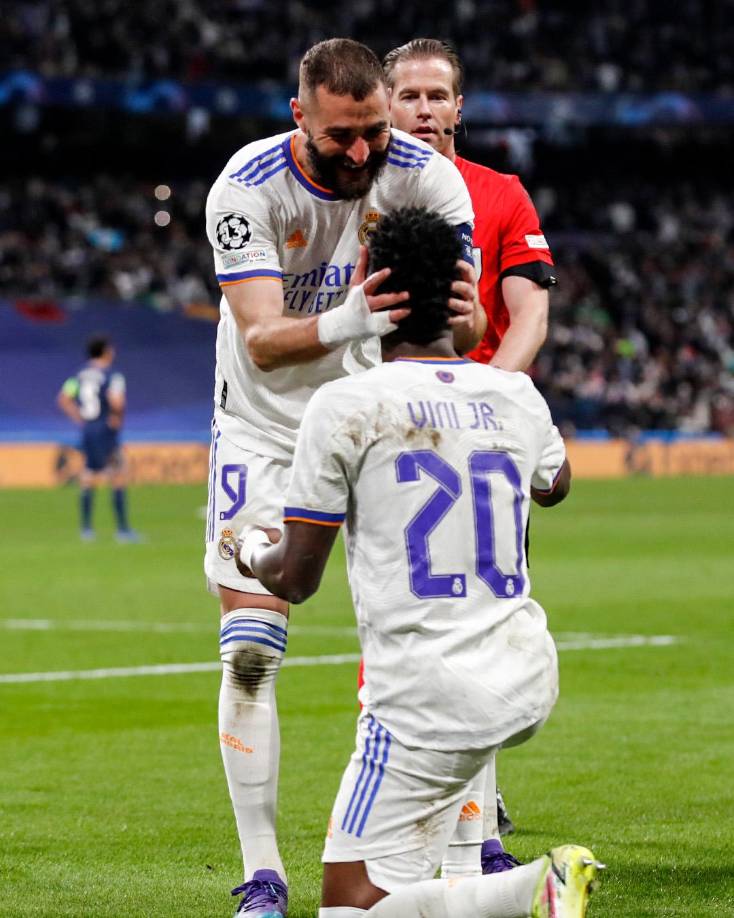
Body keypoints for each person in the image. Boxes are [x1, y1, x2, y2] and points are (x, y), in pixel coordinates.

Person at [238, 206, 603, 918]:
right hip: (524, 672)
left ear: (368, 288)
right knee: (407, 873)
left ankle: (536, 889)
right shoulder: (514, 392)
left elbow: (297, 579)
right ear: (463, 288)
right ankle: (509, 886)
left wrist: (249, 550)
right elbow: (553, 486)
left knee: (348, 910)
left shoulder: (346, 406)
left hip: (423, 700)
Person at [204, 38, 481, 915]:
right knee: (251, 651)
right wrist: (354, 313)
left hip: (379, 423)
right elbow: (260, 338)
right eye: (341, 138)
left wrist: (458, 318)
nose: (363, 153)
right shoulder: (245, 187)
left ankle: (473, 855)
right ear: (300, 118)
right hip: (265, 430)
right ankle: (262, 874)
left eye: (372, 130)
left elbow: (463, 331)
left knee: (444, 634)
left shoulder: (428, 180)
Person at [383, 38, 559, 869]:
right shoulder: (366, 194)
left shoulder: (501, 194)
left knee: (480, 618)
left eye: (437, 95)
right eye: (408, 94)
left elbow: (527, 314)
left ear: (460, 107)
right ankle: (460, 816)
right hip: (393, 434)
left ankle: (475, 824)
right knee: (405, 622)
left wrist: (487, 396)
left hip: (479, 427)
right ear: (386, 105)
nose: (423, 108)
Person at [56, 335, 138, 542]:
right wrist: (116, 417)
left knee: (89, 474)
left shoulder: (80, 374)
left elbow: (64, 398)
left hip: (89, 428)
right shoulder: (113, 375)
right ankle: (123, 530)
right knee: (118, 473)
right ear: (105, 351)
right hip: (105, 428)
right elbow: (117, 402)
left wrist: (81, 418)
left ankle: (86, 529)